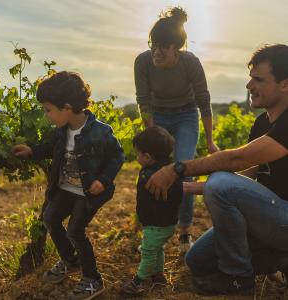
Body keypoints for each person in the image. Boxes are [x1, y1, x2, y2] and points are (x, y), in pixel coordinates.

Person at [144, 44, 288, 295]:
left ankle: (238, 277)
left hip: (283, 218)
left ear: (285, 84)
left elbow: (238, 160)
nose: (249, 86)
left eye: (258, 79)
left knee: (221, 181)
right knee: (198, 260)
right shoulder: (262, 122)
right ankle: (280, 259)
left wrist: (177, 168)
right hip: (269, 218)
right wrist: (188, 186)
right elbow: (249, 176)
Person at [12, 71, 125, 300]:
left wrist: (103, 181)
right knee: (50, 218)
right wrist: (32, 151)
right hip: (65, 189)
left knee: (75, 230)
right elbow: (50, 147)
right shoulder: (62, 131)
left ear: (65, 107)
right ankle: (71, 261)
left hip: (87, 193)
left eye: (48, 109)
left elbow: (117, 156)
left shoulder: (100, 131)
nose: (46, 115)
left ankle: (93, 278)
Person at [134, 6, 219, 251]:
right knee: (154, 168)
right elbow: (144, 101)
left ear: (176, 49)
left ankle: (184, 230)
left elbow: (204, 101)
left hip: (185, 115)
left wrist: (210, 140)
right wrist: (150, 136)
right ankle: (151, 230)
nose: (156, 52)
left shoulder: (190, 62)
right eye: (153, 45)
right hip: (158, 115)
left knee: (183, 167)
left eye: (163, 47)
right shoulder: (142, 62)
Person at [121, 126, 183, 296]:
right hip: (168, 222)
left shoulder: (150, 176)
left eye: (138, 154)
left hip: (155, 224)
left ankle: (137, 282)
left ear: (147, 156)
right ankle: (159, 275)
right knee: (158, 249)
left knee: (148, 251)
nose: (136, 157)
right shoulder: (170, 172)